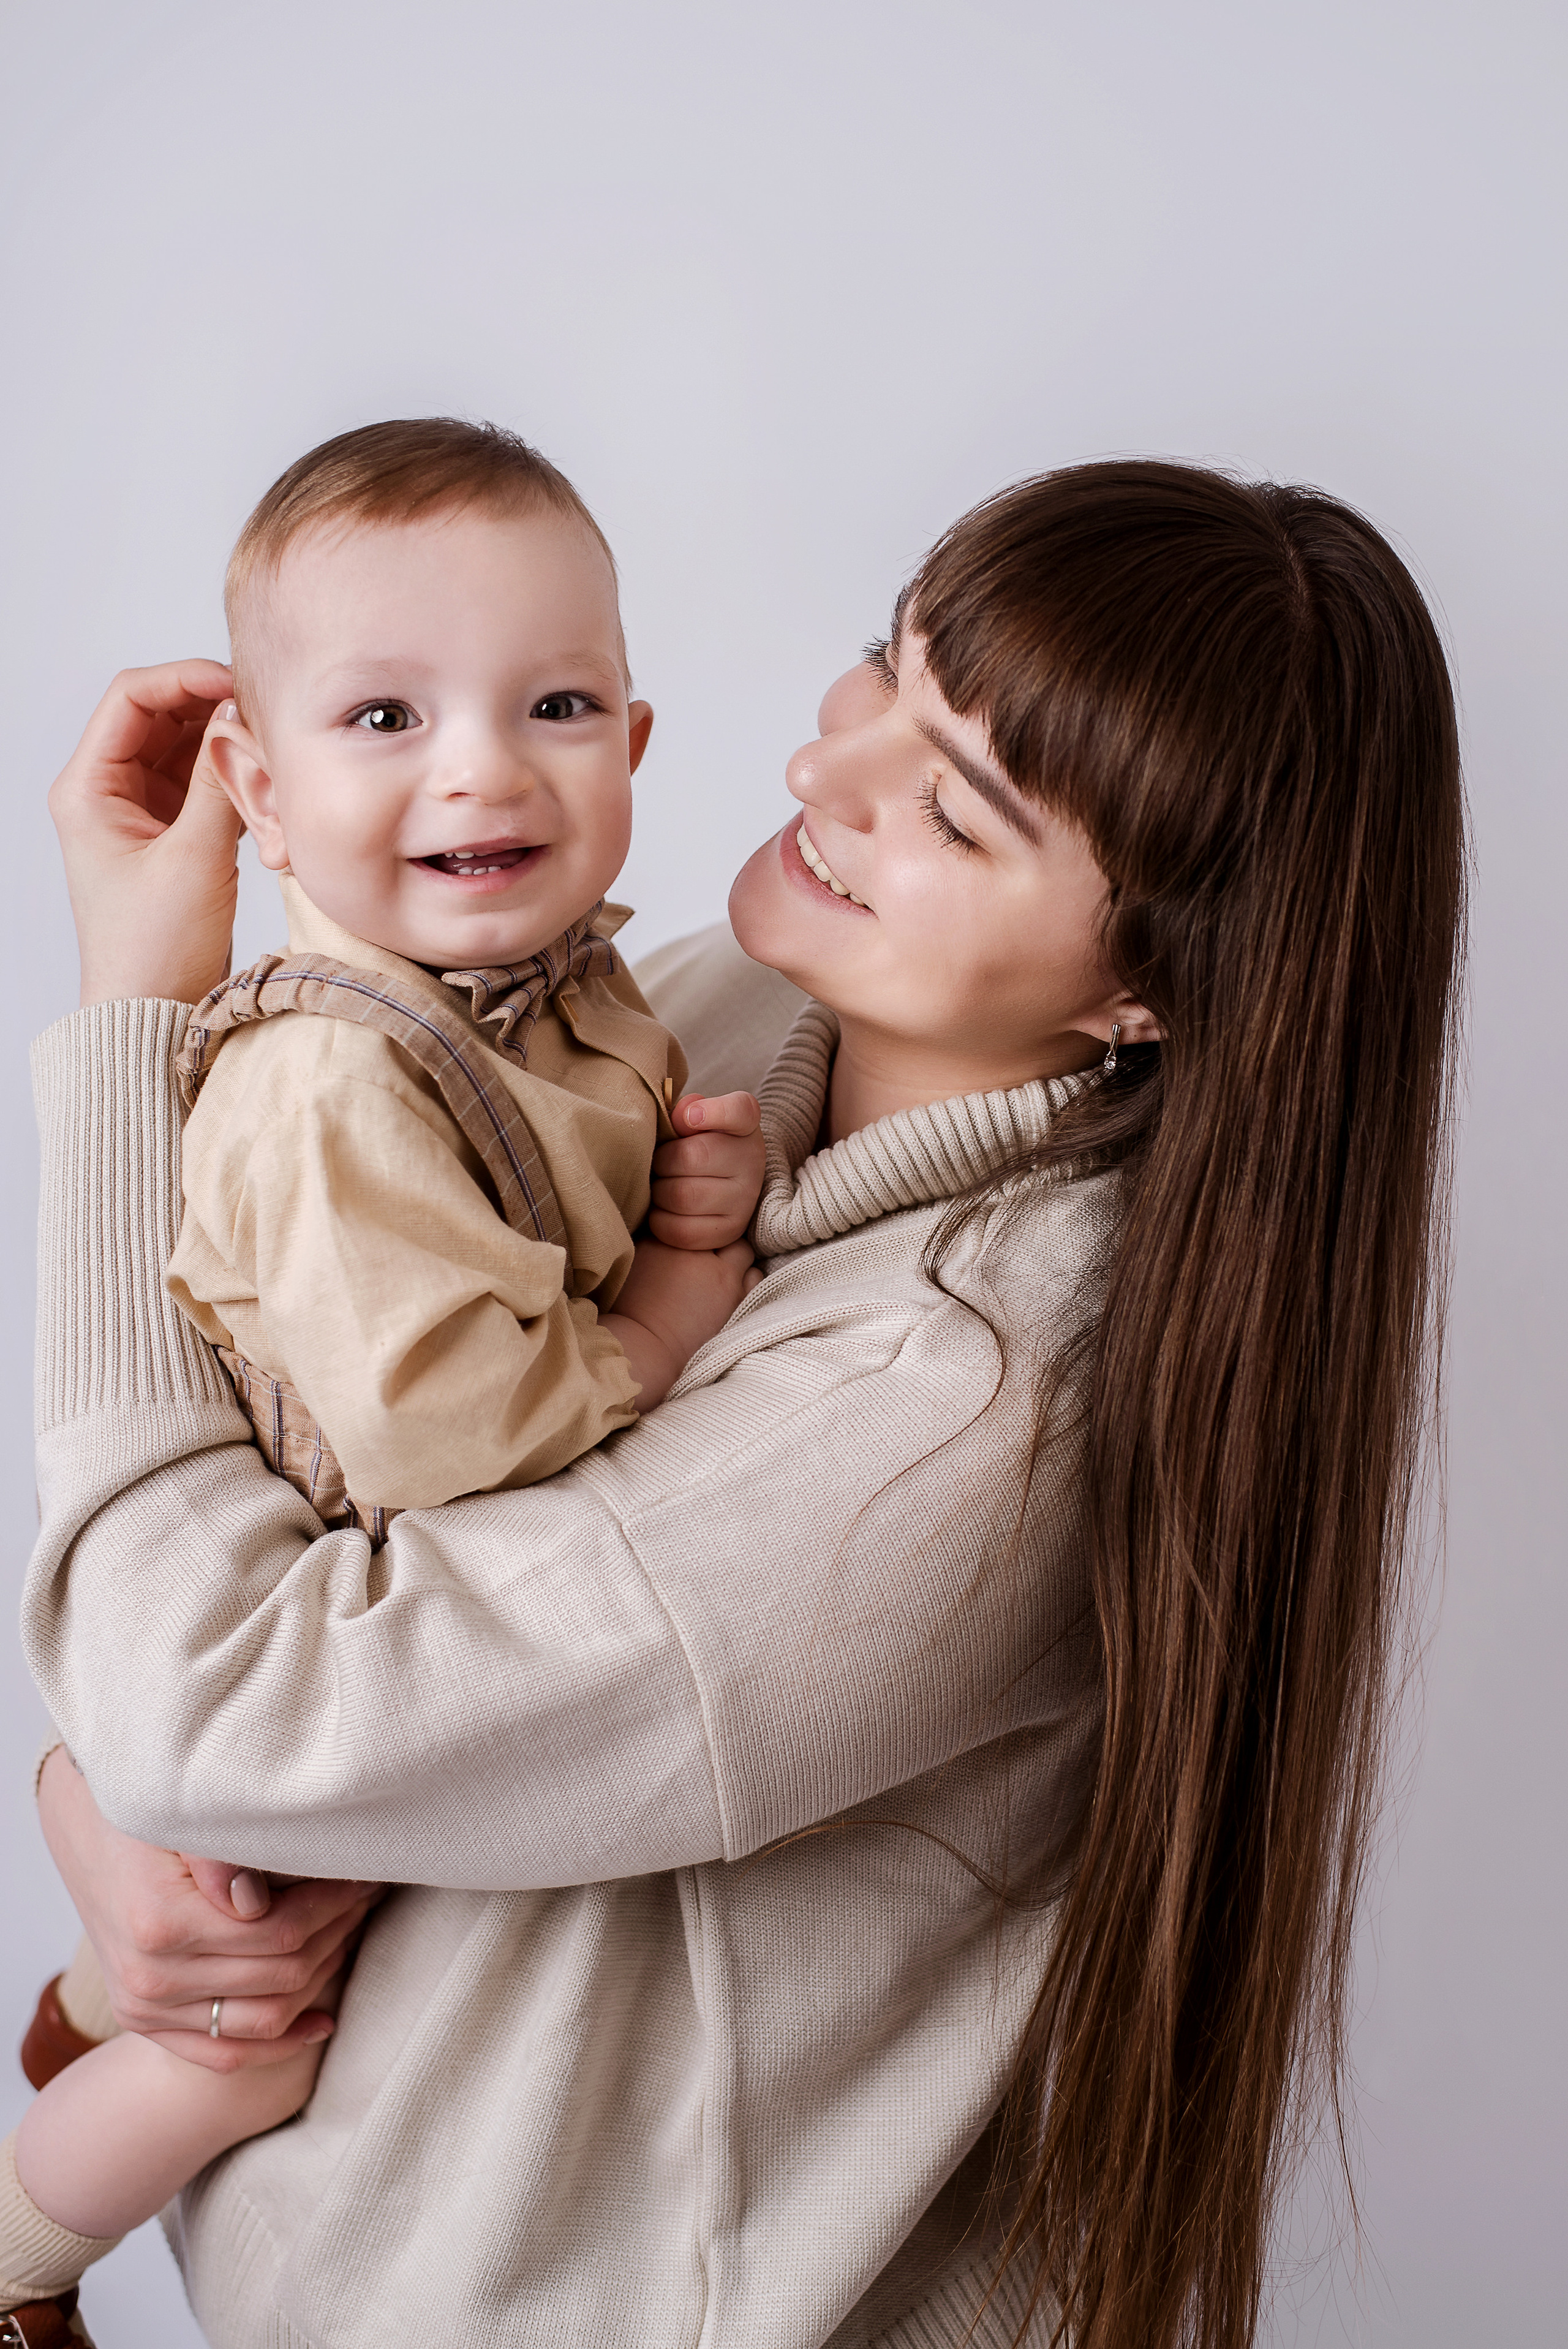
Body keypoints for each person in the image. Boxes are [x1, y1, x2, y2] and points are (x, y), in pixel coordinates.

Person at [17, 461, 1464, 2349]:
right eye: (889, 666)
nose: (821, 767)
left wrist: (135, 1025)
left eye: (953, 805)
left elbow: (219, 1697)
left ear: (1158, 988)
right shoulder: (680, 1019)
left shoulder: (954, 1409)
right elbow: (277, 1478)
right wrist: (108, 1821)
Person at [4, 418, 776, 2329]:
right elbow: (458, 1443)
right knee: (249, 2039)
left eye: (556, 704)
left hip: (377, 1635)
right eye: (384, 718)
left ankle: (82, 2004)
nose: (482, 767)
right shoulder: (335, 1086)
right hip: (297, 1646)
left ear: (637, 744)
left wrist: (686, 1187)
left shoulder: (576, 985)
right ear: (257, 794)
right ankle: (20, 2242)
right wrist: (682, 1297)